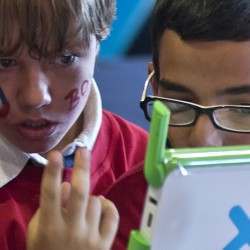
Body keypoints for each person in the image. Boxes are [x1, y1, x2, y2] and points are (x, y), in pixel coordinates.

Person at [0, 0, 148, 249]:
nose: (36, 97)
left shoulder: (147, 167)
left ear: (101, 35)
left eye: (65, 58)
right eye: (4, 62)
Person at [106, 0, 250, 249]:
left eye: (240, 110)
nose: (202, 139)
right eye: (179, 104)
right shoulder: (131, 208)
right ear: (155, 88)